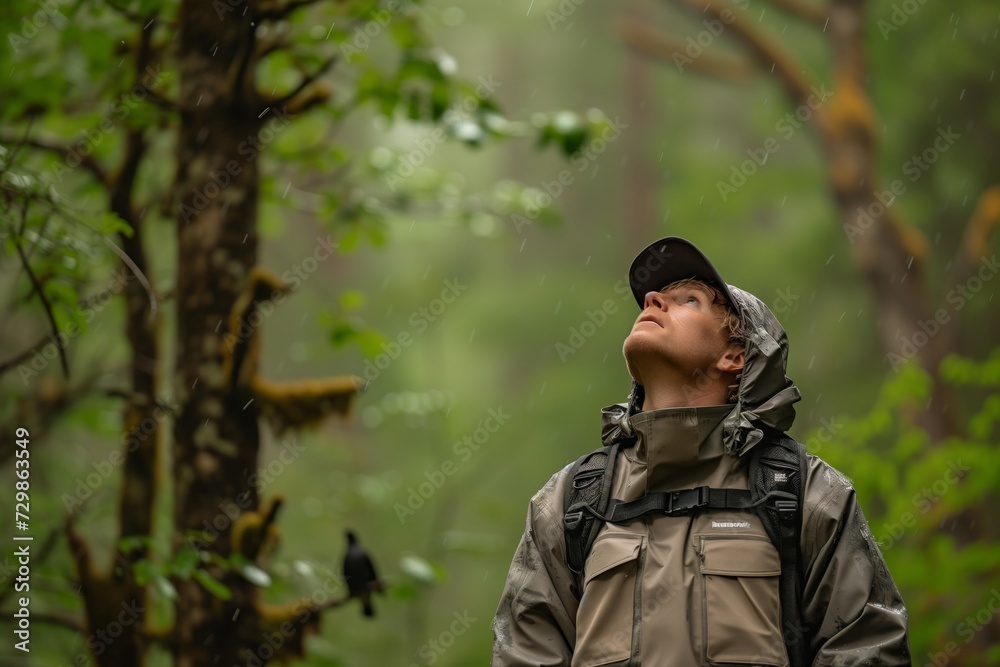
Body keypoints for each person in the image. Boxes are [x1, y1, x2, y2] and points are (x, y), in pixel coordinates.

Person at [491, 237, 910, 666]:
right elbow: (524, 655)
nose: (652, 299)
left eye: (688, 300)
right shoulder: (570, 501)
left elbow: (866, 649)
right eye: (655, 297)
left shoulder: (806, 494)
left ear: (735, 356)